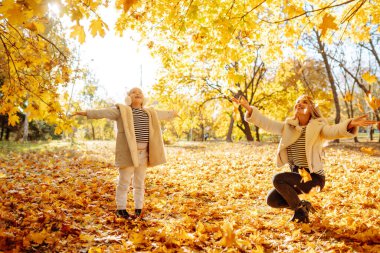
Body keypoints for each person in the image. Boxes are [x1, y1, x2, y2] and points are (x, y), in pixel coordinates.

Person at [232, 95, 378, 223]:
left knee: (278, 179)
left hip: (314, 179)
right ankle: (303, 205)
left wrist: (350, 124)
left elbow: (333, 131)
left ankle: (300, 213)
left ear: (311, 109)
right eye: (298, 102)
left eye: (304, 102)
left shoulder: (318, 126)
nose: (299, 104)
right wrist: (249, 109)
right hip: (297, 177)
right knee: (272, 200)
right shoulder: (287, 127)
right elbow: (266, 123)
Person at [72, 87, 177, 219]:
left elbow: (164, 114)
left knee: (139, 183)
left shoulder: (150, 112)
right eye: (134, 92)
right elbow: (104, 112)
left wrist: (173, 113)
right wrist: (85, 113)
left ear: (144, 98)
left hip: (144, 153)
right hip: (128, 153)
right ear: (128, 97)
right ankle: (121, 209)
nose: (137, 93)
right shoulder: (122, 111)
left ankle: (139, 209)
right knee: (124, 181)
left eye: (140, 92)